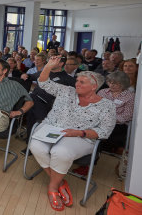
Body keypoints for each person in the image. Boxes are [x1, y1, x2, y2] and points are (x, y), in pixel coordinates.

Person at [28, 57, 116, 211]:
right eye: (77, 81)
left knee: (60, 152)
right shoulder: (66, 91)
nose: (77, 84)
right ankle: (60, 182)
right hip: (52, 128)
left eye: (82, 82)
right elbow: (43, 83)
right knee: (36, 146)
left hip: (80, 136)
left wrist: (79, 132)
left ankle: (53, 188)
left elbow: (104, 131)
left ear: (94, 86)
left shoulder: (107, 106)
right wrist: (48, 66)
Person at [23, 56, 76, 152]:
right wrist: (25, 76)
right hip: (34, 101)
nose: (50, 62)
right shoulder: (45, 73)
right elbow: (31, 76)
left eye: (54, 61)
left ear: (61, 64)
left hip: (48, 106)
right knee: (31, 115)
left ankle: (38, 145)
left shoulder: (67, 79)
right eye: (50, 60)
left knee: (33, 107)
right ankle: (31, 144)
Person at [98, 71, 134, 154]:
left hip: (117, 125)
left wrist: (109, 119)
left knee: (109, 135)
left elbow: (127, 115)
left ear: (123, 84)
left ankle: (104, 155)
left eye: (115, 83)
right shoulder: (102, 92)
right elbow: (95, 108)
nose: (111, 85)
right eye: (110, 82)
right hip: (99, 121)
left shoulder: (130, 96)